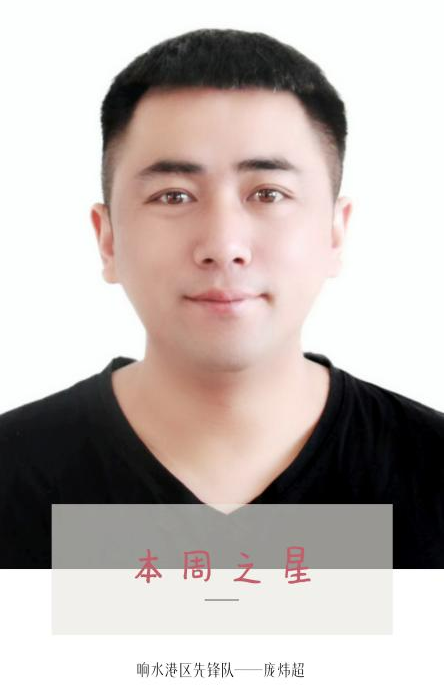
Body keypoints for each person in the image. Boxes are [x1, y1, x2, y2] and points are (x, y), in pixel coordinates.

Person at [0, 28, 443, 570]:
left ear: (335, 233)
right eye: (173, 196)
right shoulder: (14, 473)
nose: (223, 245)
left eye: (268, 193)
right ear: (108, 238)